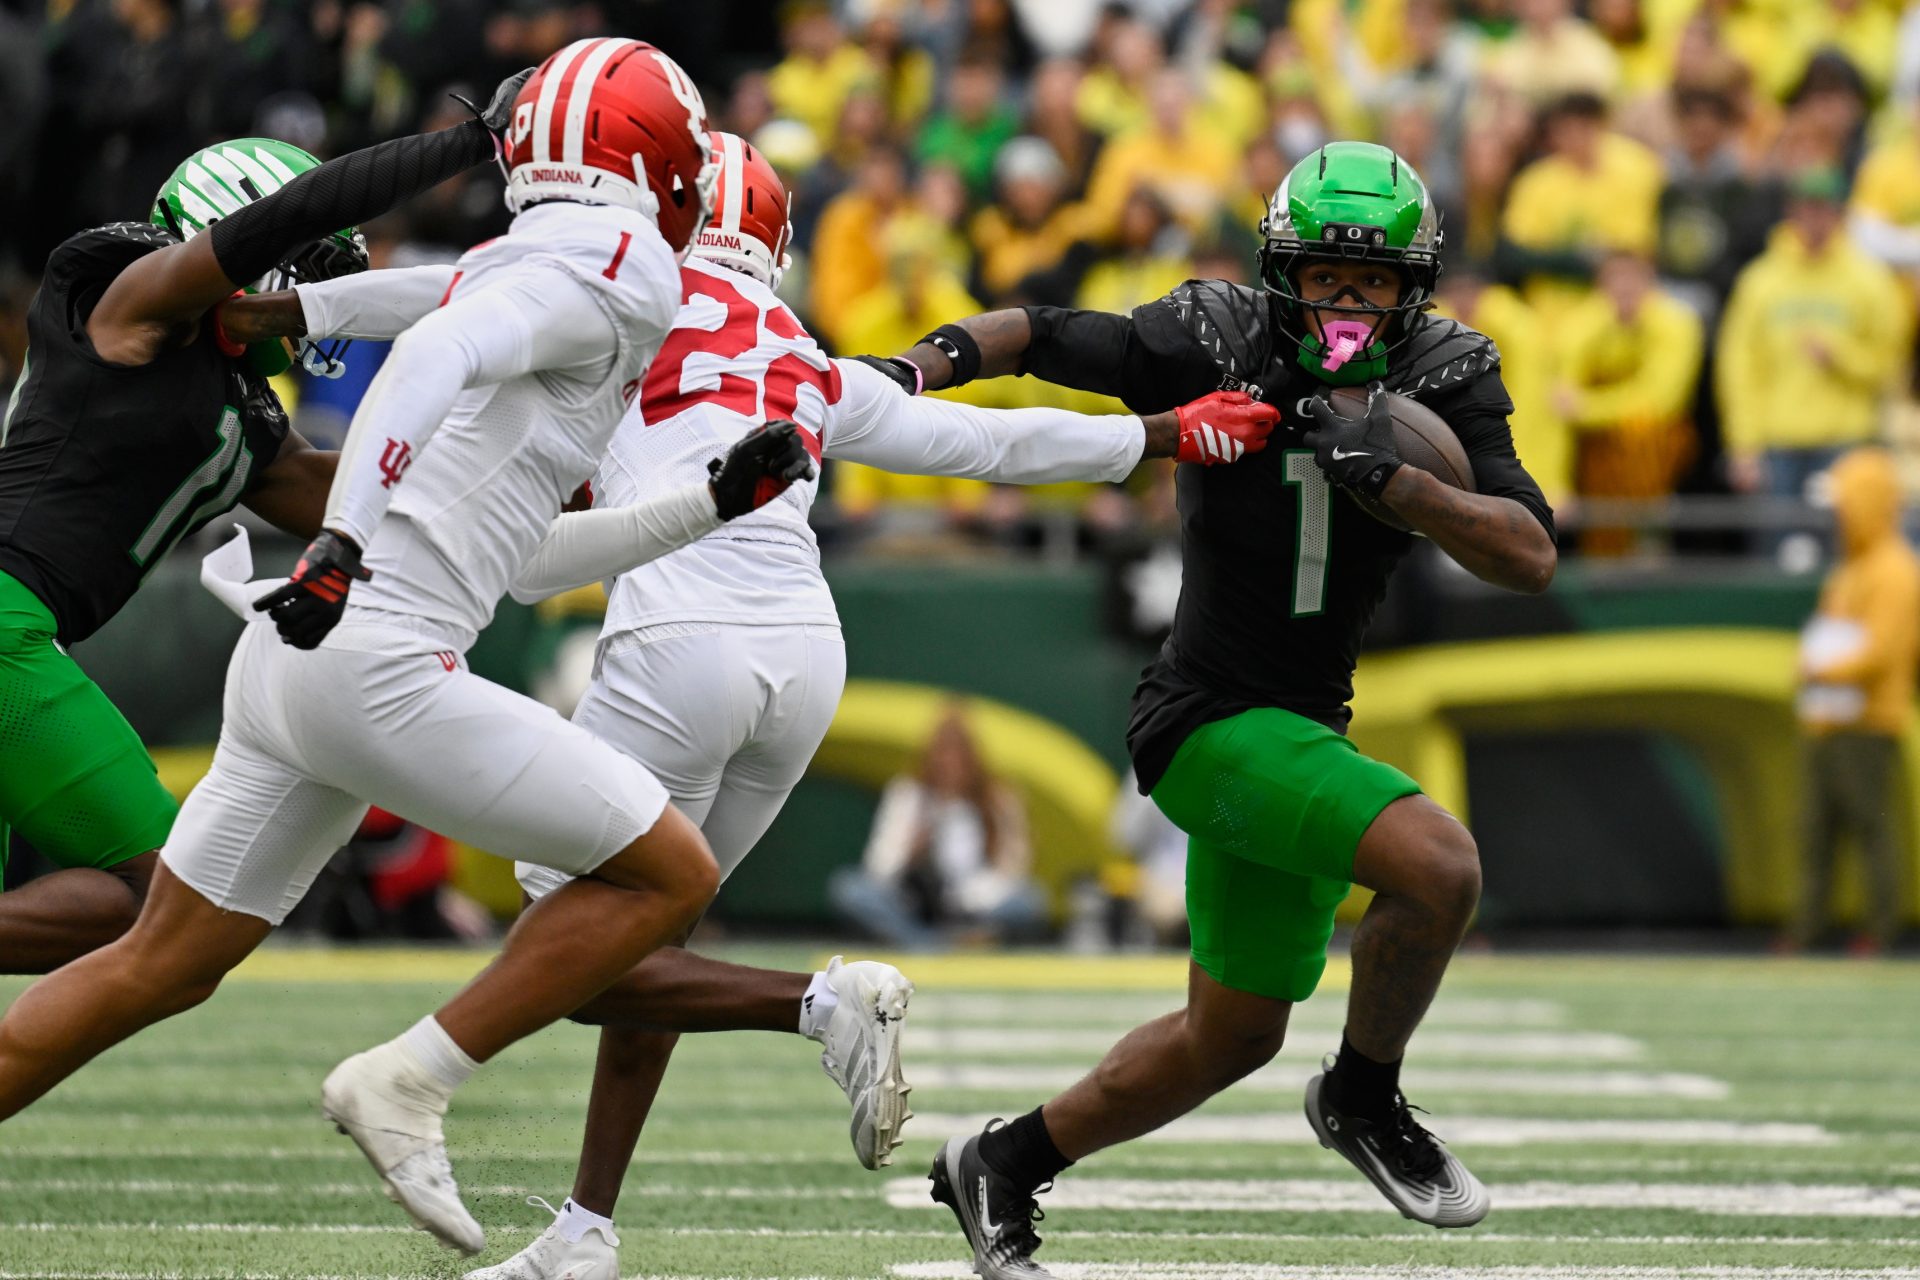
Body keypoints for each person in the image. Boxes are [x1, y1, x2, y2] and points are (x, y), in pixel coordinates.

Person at [0, 39, 814, 1260]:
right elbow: (431, 342)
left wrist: (702, 501)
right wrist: (339, 540)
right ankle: (413, 1076)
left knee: (155, 957)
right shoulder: (621, 257)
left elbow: (512, 533)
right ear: (650, 158)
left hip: (296, 654)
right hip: (366, 648)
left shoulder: (507, 269)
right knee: (673, 875)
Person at [463, 132, 1277, 1280]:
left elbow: (477, 354)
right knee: (651, 930)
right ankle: (586, 1225)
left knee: (570, 947)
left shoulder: (614, 302)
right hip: (804, 651)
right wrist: (1154, 434)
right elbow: (982, 441)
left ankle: (820, 1003)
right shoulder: (794, 345)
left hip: (677, 639)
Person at [864, 140, 1558, 1274]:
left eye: (1373, 278)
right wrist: (912, 368)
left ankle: (1001, 1160)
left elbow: (1530, 553)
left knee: (1228, 1035)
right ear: (1281, 270)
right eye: (1326, 277)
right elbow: (1042, 333)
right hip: (1203, 719)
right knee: (1441, 865)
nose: (1347, 301)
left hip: (1301, 728)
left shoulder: (1442, 370)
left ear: (1413, 286)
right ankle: (1364, 1097)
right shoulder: (1217, 335)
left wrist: (1405, 483)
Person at [0, 70, 533, 975]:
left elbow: (355, 487)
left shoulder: (244, 411)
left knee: (149, 906)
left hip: (26, 630)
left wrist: (550, 471)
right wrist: (471, 143)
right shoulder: (124, 295)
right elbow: (276, 225)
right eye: (318, 262)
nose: (328, 297)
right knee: (157, 897)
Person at [1788, 447, 1918, 956]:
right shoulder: (1849, 569)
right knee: (1814, 833)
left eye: (1845, 501)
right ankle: (1806, 930)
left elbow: (1882, 653)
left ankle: (1883, 932)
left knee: (1871, 830)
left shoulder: (1897, 571)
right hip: (1827, 718)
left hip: (1869, 721)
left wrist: (1819, 669)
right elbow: (1831, 633)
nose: (1837, 512)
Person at [1717, 168, 1909, 507]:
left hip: (1846, 440)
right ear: (1791, 212)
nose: (1814, 219)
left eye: (1824, 208)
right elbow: (1739, 369)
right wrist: (1743, 444)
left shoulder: (1870, 280)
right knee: (1777, 553)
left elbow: (1890, 364)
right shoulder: (1760, 281)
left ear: (1840, 214)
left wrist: (1841, 356)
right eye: (1806, 208)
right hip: (1776, 442)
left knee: (1842, 549)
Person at [829, 703, 1046, 952]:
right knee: (849, 889)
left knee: (1030, 899)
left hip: (976, 908)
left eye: (958, 755)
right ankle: (931, 944)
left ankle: (952, 939)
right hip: (914, 904)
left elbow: (1014, 868)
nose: (949, 764)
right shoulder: (908, 795)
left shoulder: (998, 798)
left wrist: (970, 896)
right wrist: (912, 850)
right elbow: (877, 868)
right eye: (943, 754)